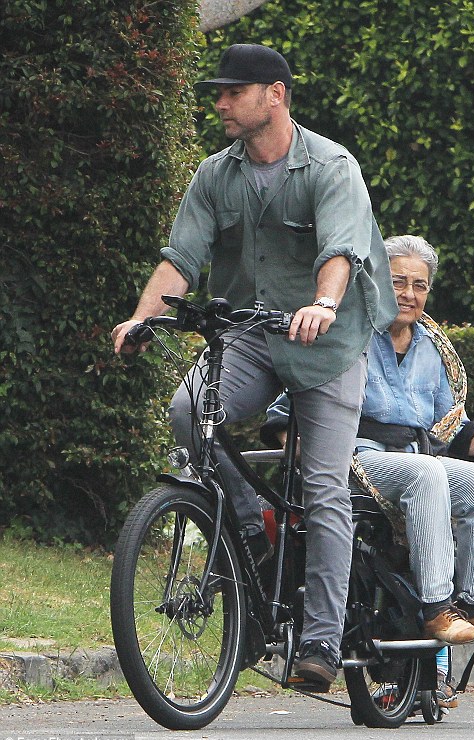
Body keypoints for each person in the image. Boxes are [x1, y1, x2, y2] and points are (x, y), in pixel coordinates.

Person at [112, 43, 398, 691]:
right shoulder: (216, 174)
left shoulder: (330, 167)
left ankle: (320, 641)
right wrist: (141, 318)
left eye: (233, 92)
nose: (220, 103)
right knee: (189, 412)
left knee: (323, 487)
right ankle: (248, 531)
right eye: (218, 93)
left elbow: (341, 251)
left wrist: (324, 304)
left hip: (328, 343)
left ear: (275, 94)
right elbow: (181, 259)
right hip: (251, 333)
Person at [261, 234, 474, 647]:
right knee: (426, 471)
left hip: (413, 458)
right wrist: (306, 452)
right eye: (397, 281)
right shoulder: (348, 332)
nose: (408, 294)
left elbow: (452, 431)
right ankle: (436, 608)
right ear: (377, 280)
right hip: (353, 459)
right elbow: (284, 410)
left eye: (419, 285)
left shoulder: (433, 348)